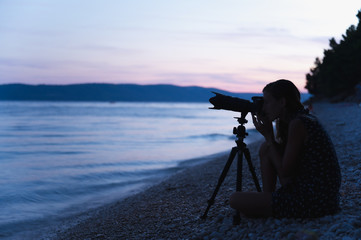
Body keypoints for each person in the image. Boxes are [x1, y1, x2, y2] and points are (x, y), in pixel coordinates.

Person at [229, 79, 341, 218]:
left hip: (316, 200)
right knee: (266, 148)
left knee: (235, 199)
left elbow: (285, 172)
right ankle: (268, 200)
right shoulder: (299, 118)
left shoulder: (298, 123)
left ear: (282, 102)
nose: (264, 108)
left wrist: (269, 136)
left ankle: (268, 206)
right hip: (318, 195)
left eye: (267, 102)